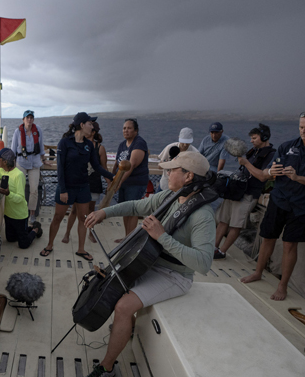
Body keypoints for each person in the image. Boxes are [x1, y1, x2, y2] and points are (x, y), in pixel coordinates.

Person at [84, 151, 216, 377]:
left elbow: (203, 263)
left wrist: (161, 236)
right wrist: (105, 212)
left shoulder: (203, 216)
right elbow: (136, 206)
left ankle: (106, 367)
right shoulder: (169, 196)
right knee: (111, 284)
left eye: (173, 169)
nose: (167, 172)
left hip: (174, 275)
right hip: (148, 263)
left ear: (188, 177)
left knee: (123, 306)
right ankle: (127, 328)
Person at [241, 109, 305, 301]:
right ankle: (258, 273)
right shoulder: (286, 146)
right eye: (301, 127)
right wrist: (271, 171)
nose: (303, 131)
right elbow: (269, 173)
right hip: (279, 199)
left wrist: (298, 177)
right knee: (267, 237)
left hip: (303, 205)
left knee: (290, 245)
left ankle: (282, 286)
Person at [40, 112, 114, 260]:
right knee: (58, 217)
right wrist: (63, 189)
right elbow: (60, 168)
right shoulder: (65, 143)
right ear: (81, 125)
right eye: (90, 124)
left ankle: (81, 249)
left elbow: (97, 167)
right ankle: (49, 245)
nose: (92, 126)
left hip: (83, 187)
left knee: (83, 218)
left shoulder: (89, 145)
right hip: (66, 187)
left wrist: (113, 176)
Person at [214, 124, 275, 259]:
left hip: (249, 193)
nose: (251, 141)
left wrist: (246, 163)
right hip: (235, 190)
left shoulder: (271, 155)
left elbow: (262, 176)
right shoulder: (253, 151)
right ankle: (213, 247)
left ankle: (222, 251)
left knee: (236, 224)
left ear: (264, 137)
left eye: (254, 138)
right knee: (223, 220)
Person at [0, 148, 42, 249]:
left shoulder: (19, 175)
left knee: (23, 244)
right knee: (10, 239)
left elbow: (20, 198)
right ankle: (26, 230)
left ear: (5, 161)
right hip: (8, 214)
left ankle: (35, 230)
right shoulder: (1, 170)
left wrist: (8, 194)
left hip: (20, 215)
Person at [62, 121, 110, 244]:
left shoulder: (100, 148)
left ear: (93, 132)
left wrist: (110, 182)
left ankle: (90, 233)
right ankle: (67, 233)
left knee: (91, 211)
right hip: (80, 183)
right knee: (74, 210)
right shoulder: (79, 144)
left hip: (93, 183)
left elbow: (103, 167)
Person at [113, 118, 149, 242]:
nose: (126, 130)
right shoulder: (122, 145)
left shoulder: (139, 143)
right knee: (125, 209)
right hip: (123, 182)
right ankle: (126, 237)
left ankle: (130, 239)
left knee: (132, 209)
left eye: (129, 128)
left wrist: (119, 182)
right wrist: (112, 178)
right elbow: (117, 164)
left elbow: (131, 165)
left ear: (136, 130)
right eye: (124, 128)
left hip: (135, 183)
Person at [11, 110, 49, 224]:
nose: (29, 119)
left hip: (35, 163)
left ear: (33, 119)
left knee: (34, 190)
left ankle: (32, 213)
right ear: (23, 119)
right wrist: (12, 164)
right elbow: (13, 149)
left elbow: (41, 147)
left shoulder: (38, 130)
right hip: (21, 162)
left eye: (31, 117)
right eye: (27, 117)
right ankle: (21, 211)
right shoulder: (17, 131)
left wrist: (44, 160)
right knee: (19, 189)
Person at [157, 127, 198, 192]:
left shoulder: (195, 153)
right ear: (179, 138)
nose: (184, 145)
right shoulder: (169, 148)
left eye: (187, 143)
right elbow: (159, 166)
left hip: (182, 189)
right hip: (165, 185)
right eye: (183, 142)